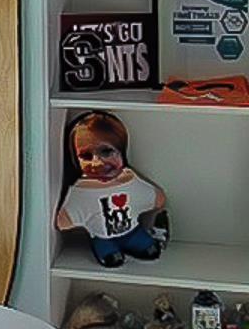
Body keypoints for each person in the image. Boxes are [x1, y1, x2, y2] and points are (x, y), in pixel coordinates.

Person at [52, 110, 166, 267]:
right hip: (102, 237)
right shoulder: (81, 191)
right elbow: (64, 221)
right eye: (86, 156)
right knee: (110, 256)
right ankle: (110, 249)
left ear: (121, 150)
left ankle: (132, 241)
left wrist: (157, 200)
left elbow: (156, 199)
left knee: (150, 249)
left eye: (106, 151)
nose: (97, 162)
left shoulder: (129, 180)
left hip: (132, 230)